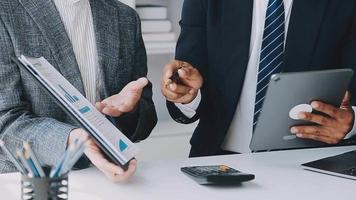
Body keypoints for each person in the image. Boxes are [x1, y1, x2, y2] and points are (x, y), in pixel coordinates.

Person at [161, 0, 356, 157]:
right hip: (218, 162)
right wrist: (186, 95)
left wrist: (350, 123)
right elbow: (187, 79)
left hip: (310, 164)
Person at [0, 0, 157, 182]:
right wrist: (72, 139)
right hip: (33, 183)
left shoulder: (126, 17)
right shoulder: (6, 12)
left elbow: (145, 123)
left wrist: (130, 110)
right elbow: (5, 120)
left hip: (109, 179)